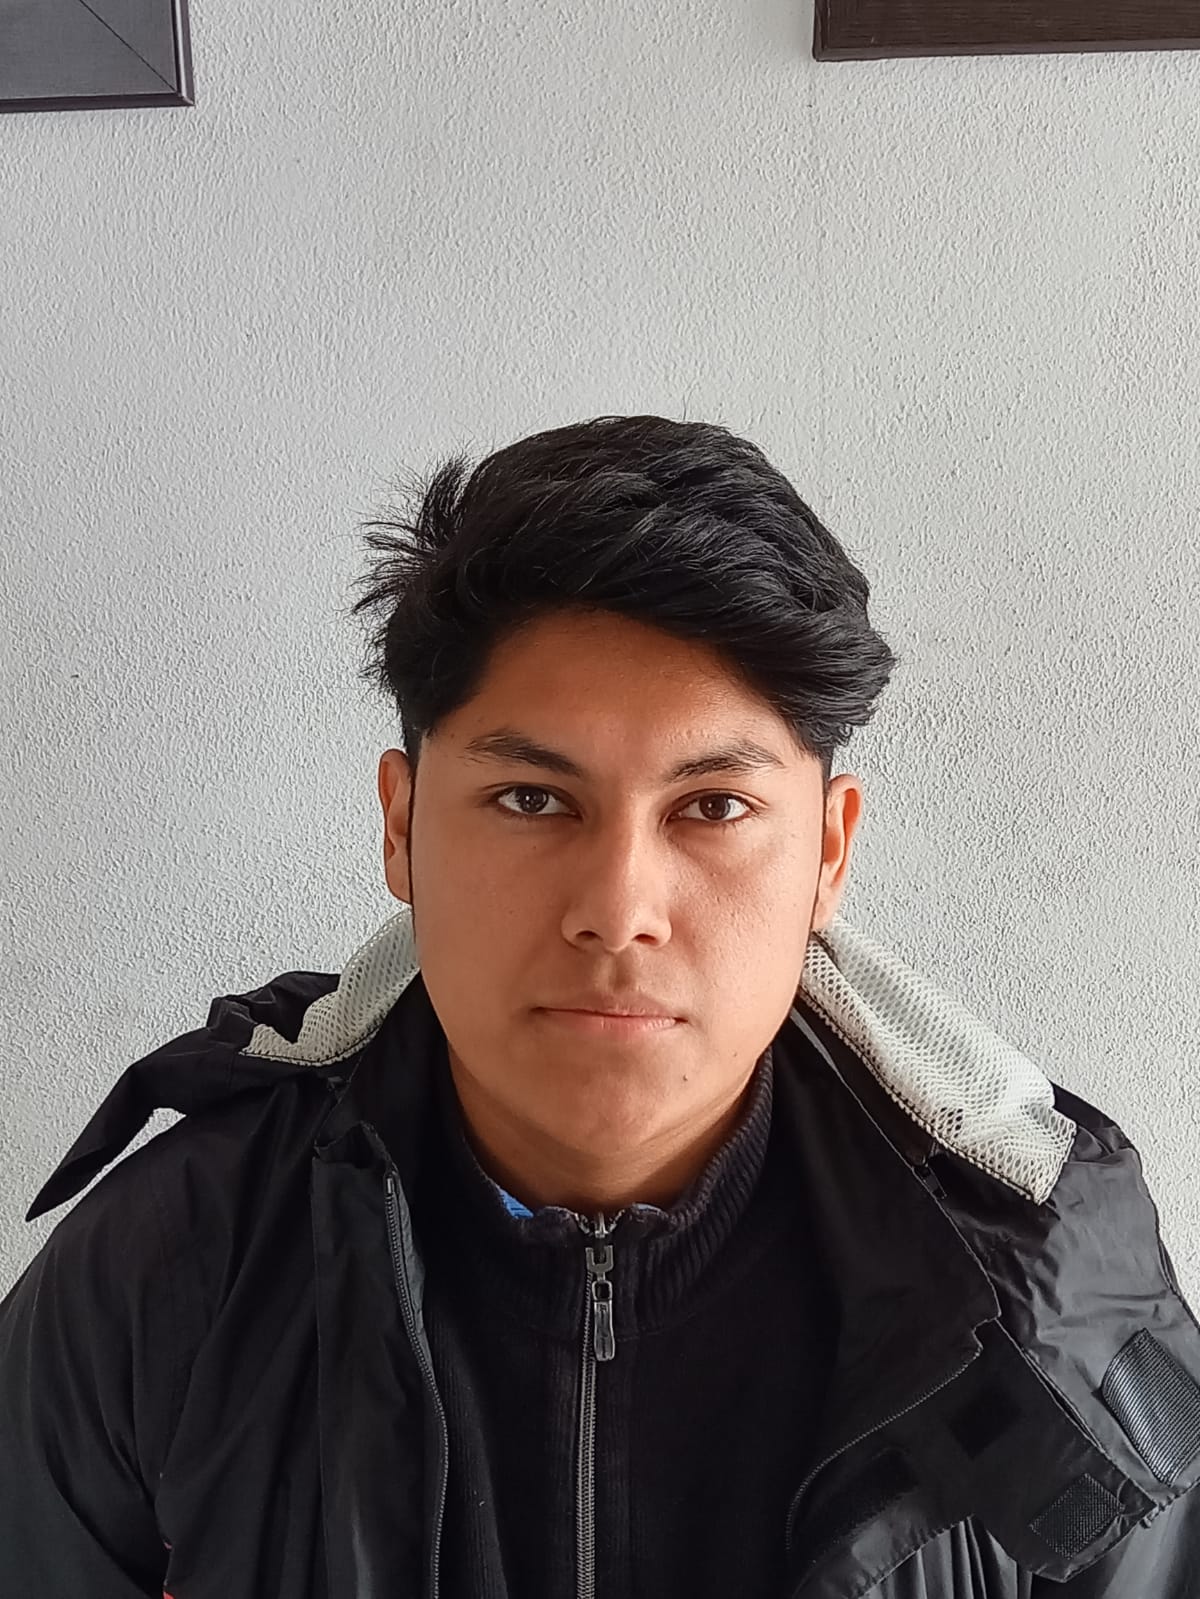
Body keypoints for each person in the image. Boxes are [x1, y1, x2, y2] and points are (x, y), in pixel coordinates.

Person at [1, 414, 1198, 1599]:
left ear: (829, 853)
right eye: (532, 799)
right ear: (402, 825)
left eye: (712, 807)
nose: (618, 911)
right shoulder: (169, 1274)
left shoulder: (1062, 1314)